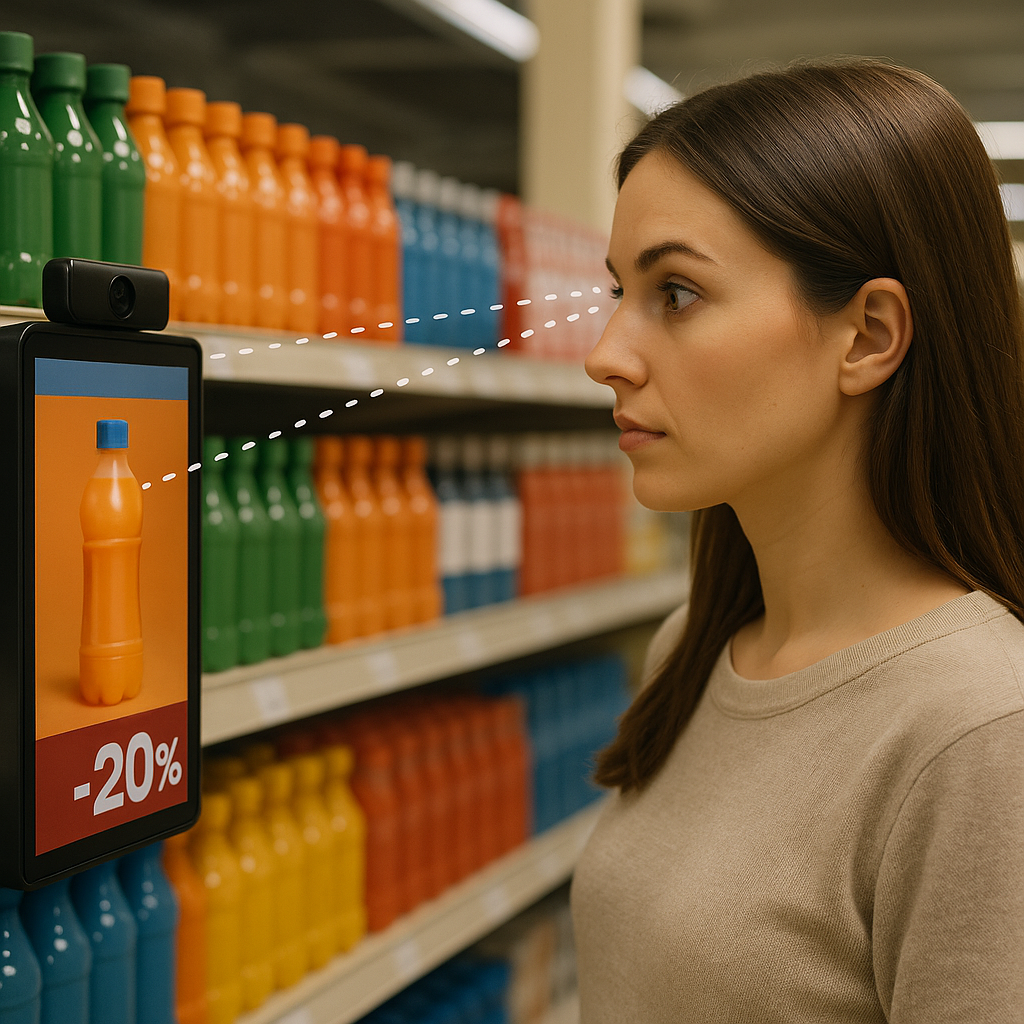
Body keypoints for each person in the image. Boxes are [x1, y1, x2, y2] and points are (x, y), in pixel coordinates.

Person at [571, 57, 1024, 1022]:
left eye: (676, 294)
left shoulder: (983, 734)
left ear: (868, 335)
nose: (605, 355)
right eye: (618, 292)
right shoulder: (693, 650)